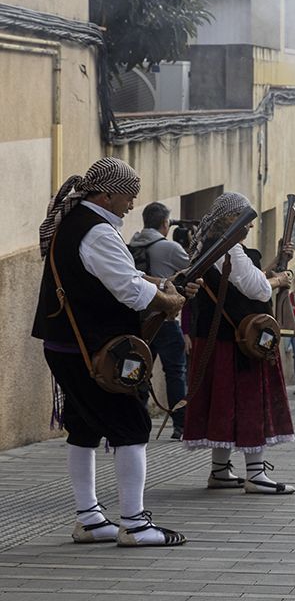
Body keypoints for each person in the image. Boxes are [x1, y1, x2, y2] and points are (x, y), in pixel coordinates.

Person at [33, 157, 195, 546]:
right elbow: (130, 290)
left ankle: (89, 519)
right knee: (131, 427)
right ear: (106, 194)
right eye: (128, 196)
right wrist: (170, 303)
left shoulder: (76, 224)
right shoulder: (99, 232)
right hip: (95, 351)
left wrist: (161, 283)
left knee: (84, 429)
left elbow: (121, 275)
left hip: (68, 345)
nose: (132, 204)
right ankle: (135, 525)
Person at [183, 192, 295, 495]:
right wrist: (280, 280)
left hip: (220, 338)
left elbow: (245, 278)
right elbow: (258, 288)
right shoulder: (228, 248)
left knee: (224, 404)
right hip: (239, 342)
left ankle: (220, 471)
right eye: (244, 220)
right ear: (230, 219)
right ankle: (256, 474)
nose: (248, 227)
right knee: (249, 403)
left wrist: (274, 264)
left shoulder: (214, 247)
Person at [128, 201, 191, 439]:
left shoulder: (133, 243)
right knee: (175, 372)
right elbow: (192, 268)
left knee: (140, 371)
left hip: (140, 320)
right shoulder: (169, 247)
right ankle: (180, 425)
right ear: (165, 223)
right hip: (164, 320)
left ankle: (136, 419)